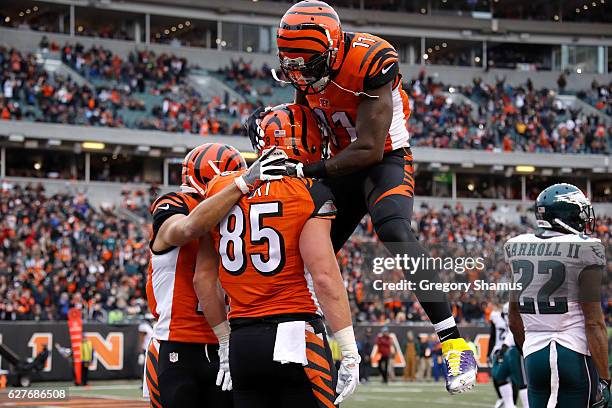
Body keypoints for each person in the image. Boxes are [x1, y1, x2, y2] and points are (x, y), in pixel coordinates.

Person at [247, 0, 477, 394]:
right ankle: (304, 345)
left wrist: (304, 170)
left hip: (382, 158)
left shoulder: (371, 58)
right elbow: (309, 119)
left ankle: (455, 343)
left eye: (309, 64)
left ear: (334, 50)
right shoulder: (308, 71)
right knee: (300, 253)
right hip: (335, 162)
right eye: (293, 65)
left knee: (393, 230)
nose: (300, 74)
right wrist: (272, 122)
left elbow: (369, 148)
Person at [194, 104, 360, 408]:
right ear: (306, 139)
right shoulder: (309, 190)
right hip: (296, 335)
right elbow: (323, 276)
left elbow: (204, 279)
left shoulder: (220, 187)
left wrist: (224, 340)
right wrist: (349, 349)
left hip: (243, 341)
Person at [144, 143, 286, 408]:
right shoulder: (175, 203)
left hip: (231, 342)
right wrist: (241, 185)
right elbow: (186, 229)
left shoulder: (239, 213)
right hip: (179, 343)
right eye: (230, 178)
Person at [506, 183, 610, 408]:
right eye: (580, 213)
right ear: (567, 214)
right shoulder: (585, 248)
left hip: (534, 354)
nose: (584, 219)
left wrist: (531, 350)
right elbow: (594, 322)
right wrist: (605, 379)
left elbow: (514, 319)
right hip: (572, 352)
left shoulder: (517, 246)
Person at [491, 304, 529, 408]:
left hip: (516, 348)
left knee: (522, 382)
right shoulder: (500, 314)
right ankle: (509, 405)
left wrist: (505, 345)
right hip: (506, 349)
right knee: (499, 376)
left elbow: (515, 328)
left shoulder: (517, 308)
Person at [488, 304, 511, 408]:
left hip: (509, 348)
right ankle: (506, 400)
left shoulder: (497, 316)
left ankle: (510, 403)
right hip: (501, 349)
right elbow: (492, 336)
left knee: (516, 379)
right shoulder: (495, 316)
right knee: (498, 376)